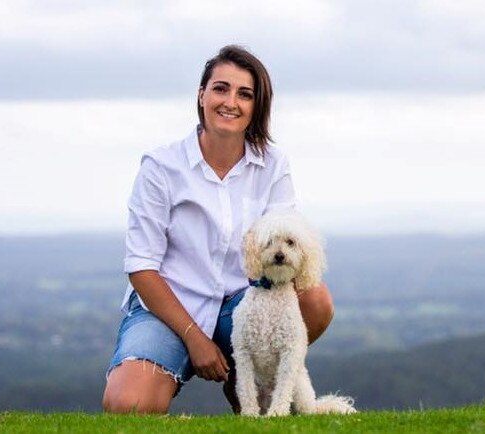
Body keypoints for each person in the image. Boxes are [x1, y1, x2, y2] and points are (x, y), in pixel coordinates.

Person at [102, 45, 335, 414]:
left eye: (245, 94)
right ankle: (184, 365)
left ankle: (251, 376)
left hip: (244, 306)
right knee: (128, 404)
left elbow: (286, 252)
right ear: (201, 95)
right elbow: (142, 267)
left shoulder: (273, 165)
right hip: (168, 308)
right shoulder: (161, 167)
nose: (231, 101)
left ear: (257, 106)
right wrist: (195, 339)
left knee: (315, 301)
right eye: (221, 88)